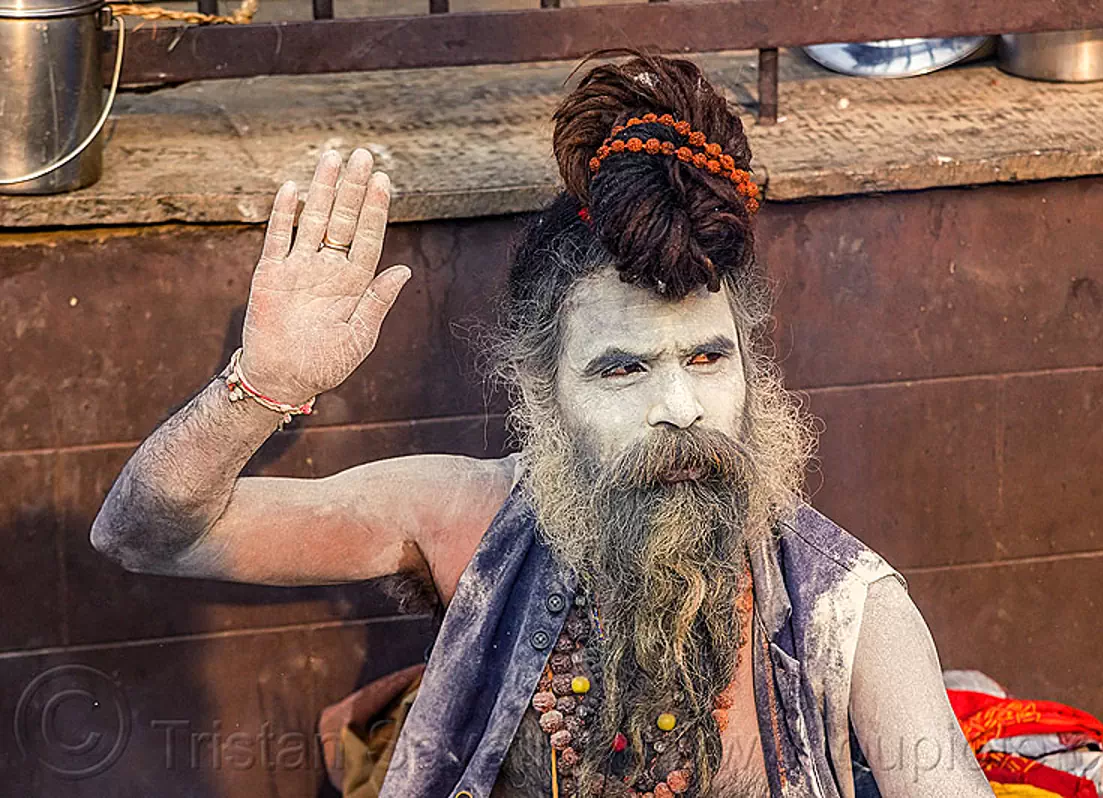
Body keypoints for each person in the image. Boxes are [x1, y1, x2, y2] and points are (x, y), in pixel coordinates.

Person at [91, 54, 994, 798]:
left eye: (709, 360)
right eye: (622, 368)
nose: (679, 407)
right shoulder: (466, 521)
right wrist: (263, 384)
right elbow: (147, 536)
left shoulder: (847, 611)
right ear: (542, 395)